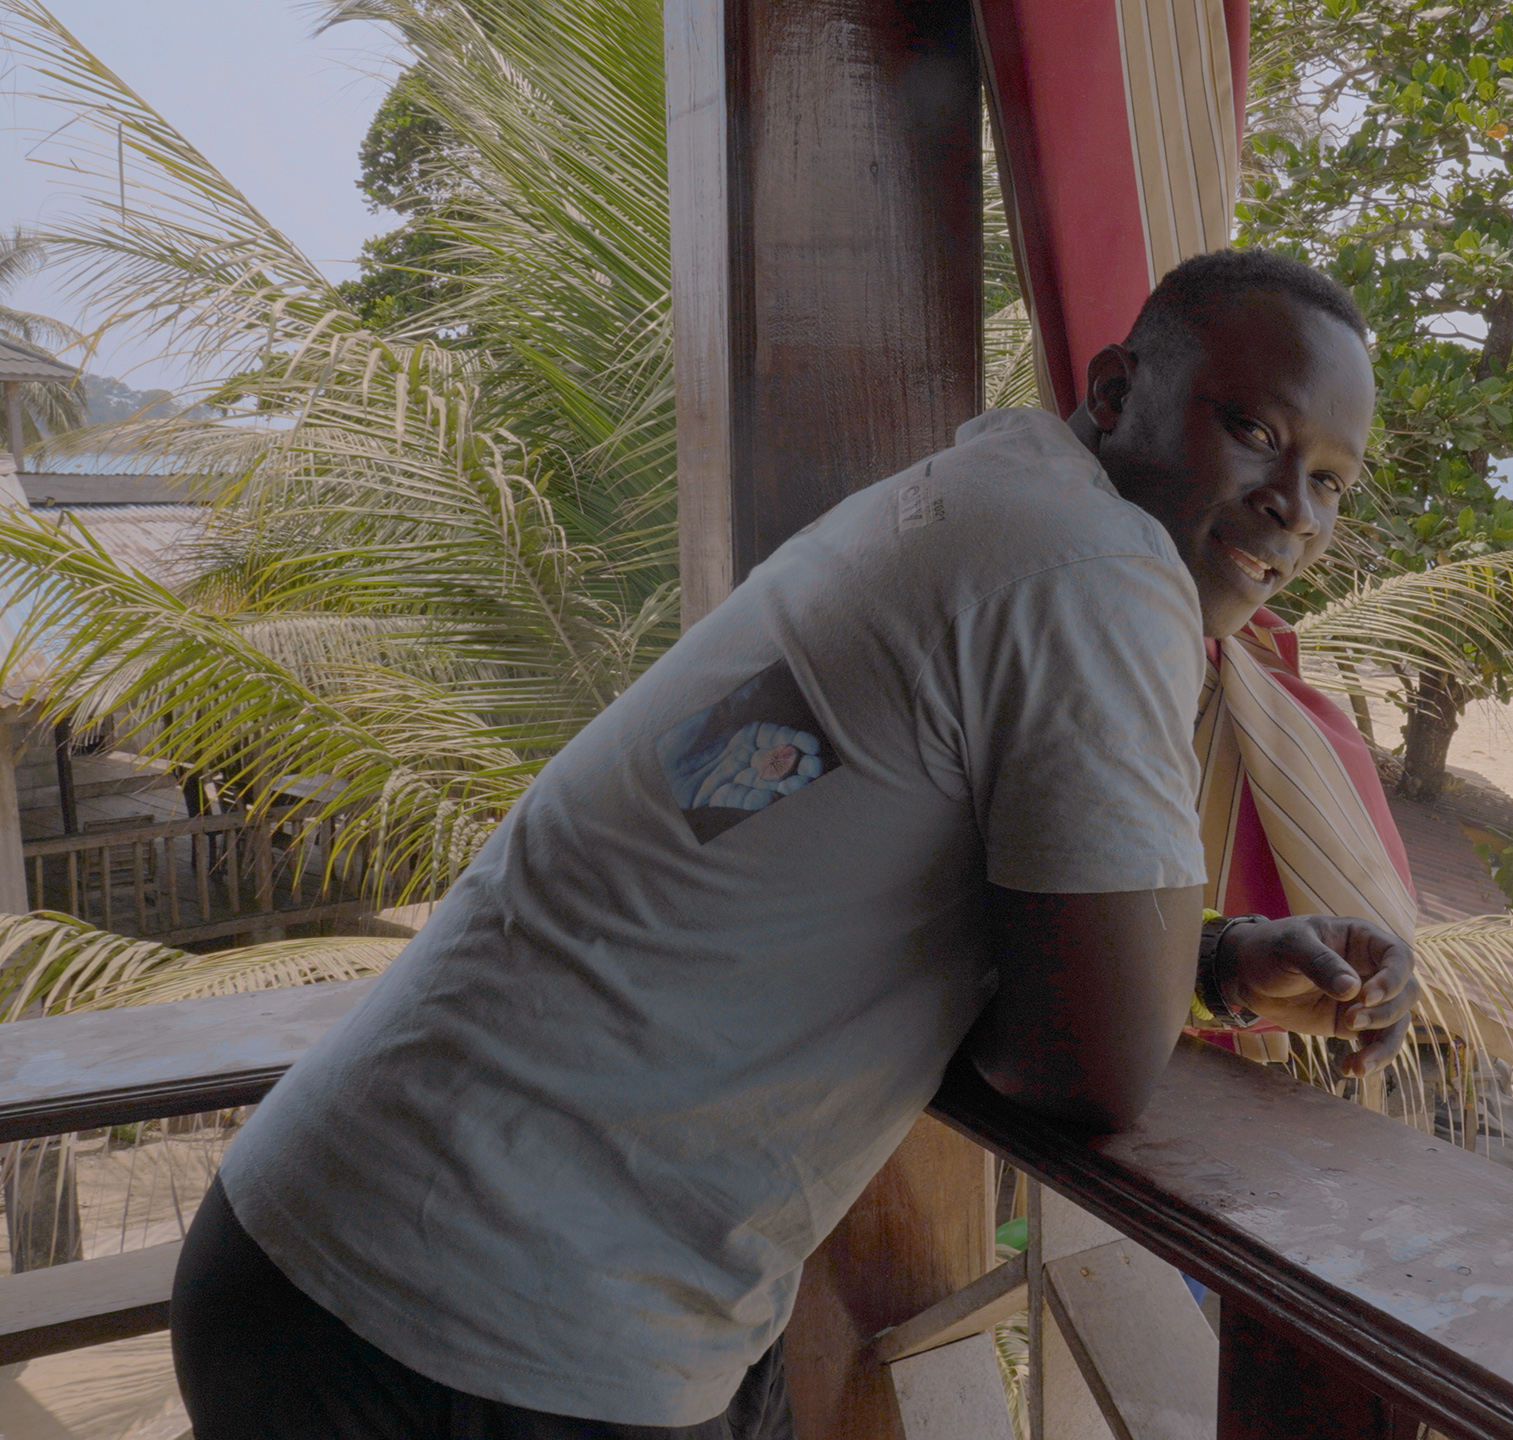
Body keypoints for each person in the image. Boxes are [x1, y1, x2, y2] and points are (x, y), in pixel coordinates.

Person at [168, 248, 1413, 1439]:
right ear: (1113, 389)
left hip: (322, 1239)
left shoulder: (973, 498)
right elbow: (1085, 1069)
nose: (1291, 507)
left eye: (1332, 481)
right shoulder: (1096, 572)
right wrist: (1135, 980)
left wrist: (1205, 958)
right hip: (484, 1319)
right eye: (1254, 429)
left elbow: (810, 874)